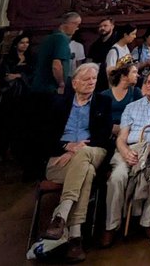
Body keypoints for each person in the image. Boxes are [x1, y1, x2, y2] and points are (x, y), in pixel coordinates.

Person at [40, 64, 113, 261]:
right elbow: (45, 138)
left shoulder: (103, 102)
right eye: (87, 79)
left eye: (94, 79)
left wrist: (78, 149)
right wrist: (66, 147)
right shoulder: (59, 104)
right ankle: (75, 236)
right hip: (62, 158)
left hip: (94, 150)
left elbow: (104, 135)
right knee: (86, 172)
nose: (91, 82)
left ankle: (61, 215)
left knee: (84, 155)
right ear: (74, 83)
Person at [103, 68, 150, 246]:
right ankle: (111, 226)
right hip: (131, 148)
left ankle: (148, 221)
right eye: (148, 82)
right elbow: (121, 137)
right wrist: (125, 152)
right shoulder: (131, 107)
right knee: (117, 176)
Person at [0, 32, 33, 159]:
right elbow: (4, 76)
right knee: (4, 123)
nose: (25, 45)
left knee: (20, 124)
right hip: (9, 96)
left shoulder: (31, 58)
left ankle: (16, 151)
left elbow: (33, 75)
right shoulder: (8, 59)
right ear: (16, 44)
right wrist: (12, 77)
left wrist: (20, 76)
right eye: (22, 42)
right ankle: (0, 150)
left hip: (24, 95)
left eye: (27, 42)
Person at [35, 12, 81, 97]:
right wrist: (61, 84)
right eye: (77, 25)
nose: (77, 28)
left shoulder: (47, 38)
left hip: (39, 86)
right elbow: (56, 65)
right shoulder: (61, 39)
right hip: (51, 88)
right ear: (70, 23)